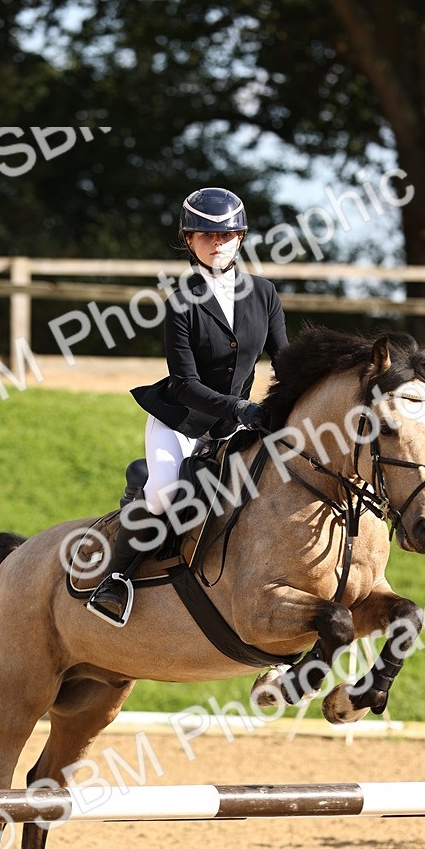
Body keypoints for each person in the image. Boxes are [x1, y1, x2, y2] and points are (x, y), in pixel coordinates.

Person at [86, 186, 289, 626]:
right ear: (188, 240)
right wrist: (239, 408)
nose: (216, 243)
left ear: (240, 238)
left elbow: (286, 361)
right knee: (163, 492)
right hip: (181, 418)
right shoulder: (181, 302)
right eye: (204, 235)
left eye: (226, 235)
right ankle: (114, 580)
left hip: (236, 422)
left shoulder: (265, 294)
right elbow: (185, 384)